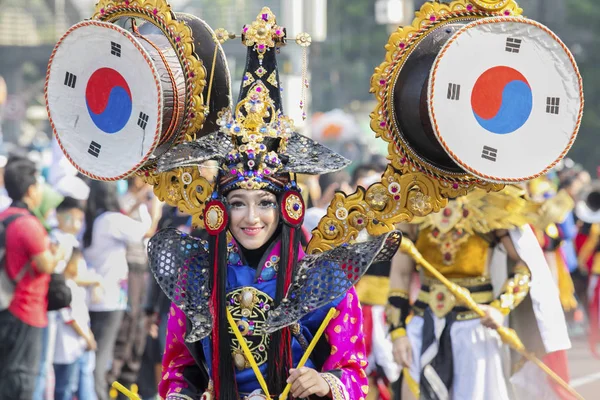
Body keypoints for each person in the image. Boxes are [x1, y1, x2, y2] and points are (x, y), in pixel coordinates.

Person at [147, 8, 402, 400]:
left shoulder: (325, 278)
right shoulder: (196, 275)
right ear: (219, 209)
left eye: (265, 202)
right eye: (237, 203)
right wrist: (180, 395)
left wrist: (326, 383)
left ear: (288, 206)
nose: (252, 218)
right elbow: (179, 369)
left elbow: (353, 373)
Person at [388, 190, 571, 400]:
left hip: (475, 328)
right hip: (423, 324)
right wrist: (398, 333)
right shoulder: (416, 200)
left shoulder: (491, 200)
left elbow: (524, 265)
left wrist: (500, 307)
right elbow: (400, 275)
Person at [0, 157, 65, 399]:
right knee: (21, 379)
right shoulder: (28, 224)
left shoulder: (5, 216)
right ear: (30, 189)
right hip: (25, 311)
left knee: (7, 376)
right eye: (38, 184)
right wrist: (58, 252)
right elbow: (45, 264)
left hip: (5, 307)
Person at [83, 181, 152, 400]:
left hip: (91, 298)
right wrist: (156, 207)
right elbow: (146, 231)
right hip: (110, 299)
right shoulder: (111, 220)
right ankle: (98, 396)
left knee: (92, 357)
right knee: (102, 358)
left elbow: (124, 217)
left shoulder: (93, 219)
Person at [54, 248, 97, 400]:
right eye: (79, 262)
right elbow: (70, 318)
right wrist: (86, 337)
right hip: (67, 349)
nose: (81, 266)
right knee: (63, 389)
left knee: (80, 384)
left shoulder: (74, 286)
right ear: (70, 264)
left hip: (78, 347)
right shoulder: (63, 287)